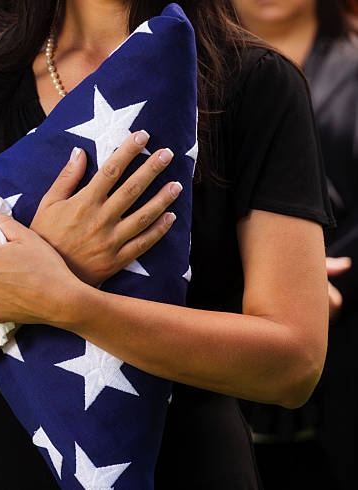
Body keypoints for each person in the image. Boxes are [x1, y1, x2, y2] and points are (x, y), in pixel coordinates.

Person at [0, 1, 332, 488]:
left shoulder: (256, 84)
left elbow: (295, 364)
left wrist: (70, 301)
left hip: (189, 466)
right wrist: (23, 285)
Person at [233, 1, 358, 488]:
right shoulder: (191, 71)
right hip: (228, 307)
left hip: (345, 310)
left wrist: (317, 279)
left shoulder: (351, 65)